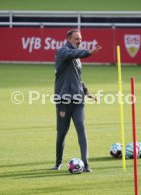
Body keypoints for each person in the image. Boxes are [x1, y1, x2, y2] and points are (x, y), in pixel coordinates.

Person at [52, 29, 101, 172]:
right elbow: (74, 53)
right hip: (63, 99)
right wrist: (89, 52)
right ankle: (58, 162)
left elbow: (78, 79)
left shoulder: (78, 58)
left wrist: (86, 92)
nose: (79, 40)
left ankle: (86, 164)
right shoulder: (63, 52)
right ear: (69, 39)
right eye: (76, 38)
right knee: (62, 132)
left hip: (78, 99)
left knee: (81, 127)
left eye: (80, 38)